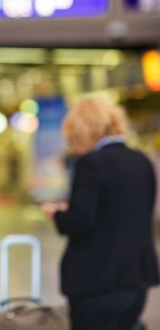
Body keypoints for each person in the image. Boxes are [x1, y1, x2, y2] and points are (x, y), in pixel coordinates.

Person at [42, 96, 159, 330]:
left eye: (74, 139)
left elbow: (80, 223)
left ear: (85, 132)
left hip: (96, 282)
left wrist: (57, 215)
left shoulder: (92, 164)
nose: (73, 146)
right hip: (136, 279)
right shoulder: (142, 161)